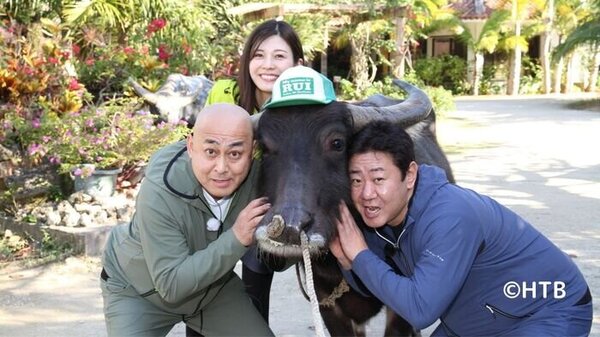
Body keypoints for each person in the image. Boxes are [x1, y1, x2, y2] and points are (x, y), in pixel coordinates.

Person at [330, 121, 593, 336]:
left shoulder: (450, 215)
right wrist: (348, 260)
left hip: (549, 312)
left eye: (378, 178)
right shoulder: (383, 218)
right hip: (481, 319)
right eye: (355, 180)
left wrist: (360, 255)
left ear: (409, 175)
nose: (366, 193)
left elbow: (420, 310)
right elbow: (382, 286)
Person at [100, 103, 274, 337]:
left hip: (213, 290)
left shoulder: (258, 176)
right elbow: (171, 285)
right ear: (191, 146)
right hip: (138, 292)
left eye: (235, 154)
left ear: (252, 151)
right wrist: (236, 239)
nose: (221, 168)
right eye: (211, 152)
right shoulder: (159, 190)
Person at [203, 19, 305, 325]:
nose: (267, 65)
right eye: (259, 55)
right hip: (215, 201)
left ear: (297, 64)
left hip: (265, 209)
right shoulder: (223, 93)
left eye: (279, 56)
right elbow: (198, 152)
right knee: (203, 287)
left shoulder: (304, 108)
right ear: (247, 59)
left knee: (256, 273)